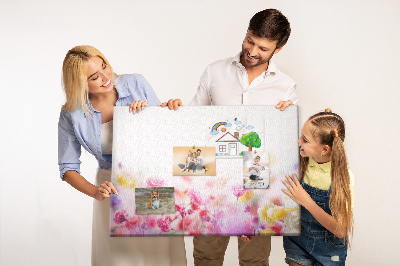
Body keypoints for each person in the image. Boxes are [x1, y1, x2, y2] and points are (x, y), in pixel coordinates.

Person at [178, 8, 297, 265]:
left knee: (254, 261)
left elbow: (286, 147)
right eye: (250, 41)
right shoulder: (214, 71)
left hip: (258, 181)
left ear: (278, 49)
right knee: (206, 257)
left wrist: (285, 124)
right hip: (213, 182)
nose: (252, 51)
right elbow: (191, 123)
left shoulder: (286, 87)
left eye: (263, 48)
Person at [58, 45, 186, 266]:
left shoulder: (135, 83)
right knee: (121, 259)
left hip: (153, 181)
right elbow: (68, 167)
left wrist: (166, 110)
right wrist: (96, 192)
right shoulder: (72, 113)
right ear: (79, 84)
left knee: (160, 255)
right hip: (112, 190)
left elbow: (165, 135)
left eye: (104, 66)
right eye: (94, 77)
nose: (106, 77)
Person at [281, 109, 354, 265]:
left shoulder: (342, 178)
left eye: (305, 140)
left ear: (324, 149)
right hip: (297, 242)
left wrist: (306, 201)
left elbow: (340, 230)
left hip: (330, 250)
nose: (299, 141)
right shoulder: (301, 159)